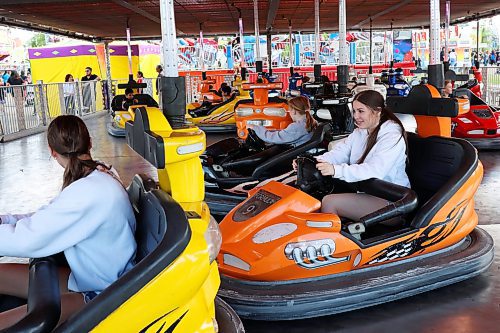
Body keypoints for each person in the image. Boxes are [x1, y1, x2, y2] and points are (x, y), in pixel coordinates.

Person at [0, 115, 136, 328]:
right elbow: (48, 216)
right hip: (87, 277)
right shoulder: (97, 176)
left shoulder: (90, 191)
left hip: (101, 294)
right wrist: (5, 220)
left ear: (52, 151)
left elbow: (29, 239)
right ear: (89, 142)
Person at [312, 90, 409, 221]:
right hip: (367, 192)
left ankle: (331, 240)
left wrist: (336, 170)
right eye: (354, 111)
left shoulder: (392, 136)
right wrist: (316, 161)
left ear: (377, 111)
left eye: (361, 111)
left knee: (329, 202)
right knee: (315, 196)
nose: (356, 116)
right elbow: (340, 153)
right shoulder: (360, 132)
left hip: (392, 202)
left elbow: (375, 170)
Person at [247, 96, 317, 147]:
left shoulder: (298, 126)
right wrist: (270, 130)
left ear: (294, 111)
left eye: (289, 110)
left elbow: (272, 138)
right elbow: (286, 133)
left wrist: (255, 128)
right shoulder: (309, 122)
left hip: (298, 158)